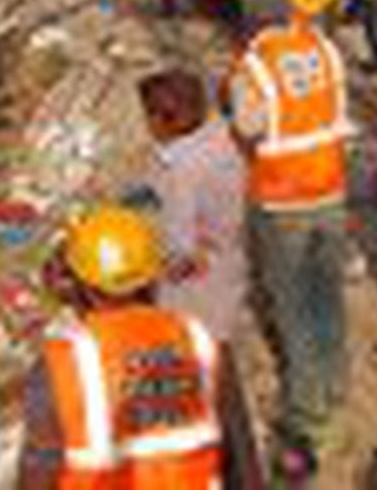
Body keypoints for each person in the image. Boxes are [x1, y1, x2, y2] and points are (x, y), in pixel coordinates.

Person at [19, 204, 263, 489]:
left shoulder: (61, 366)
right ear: (151, 276)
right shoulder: (202, 344)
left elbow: (39, 471)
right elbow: (242, 463)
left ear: (81, 283)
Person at [226, 0, 353, 478]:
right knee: (328, 293)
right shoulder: (323, 47)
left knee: (294, 306)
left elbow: (250, 128)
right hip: (331, 188)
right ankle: (336, 380)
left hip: (282, 200)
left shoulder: (252, 66)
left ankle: (307, 411)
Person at [140, 68, 250, 344]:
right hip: (229, 260)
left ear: (161, 120)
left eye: (148, 116)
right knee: (218, 342)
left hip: (195, 288)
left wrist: (145, 271)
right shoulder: (222, 140)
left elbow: (180, 247)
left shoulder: (183, 170)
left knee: (194, 349)